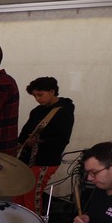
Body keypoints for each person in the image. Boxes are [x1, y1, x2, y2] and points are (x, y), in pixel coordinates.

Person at [15, 77, 75, 212]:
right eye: (34, 96)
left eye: (40, 95)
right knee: (18, 193)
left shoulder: (63, 112)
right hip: (27, 159)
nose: (37, 99)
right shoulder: (37, 111)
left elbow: (61, 140)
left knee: (32, 195)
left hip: (45, 160)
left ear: (52, 92)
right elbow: (25, 132)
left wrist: (39, 141)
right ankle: (17, 220)